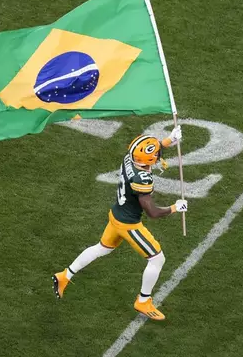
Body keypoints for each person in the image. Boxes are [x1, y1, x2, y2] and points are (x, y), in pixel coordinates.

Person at [52, 125, 187, 321]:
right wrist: (175, 207)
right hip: (128, 224)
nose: (159, 154)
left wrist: (169, 140)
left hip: (116, 215)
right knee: (157, 258)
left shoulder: (129, 159)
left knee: (102, 248)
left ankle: (65, 275)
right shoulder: (142, 178)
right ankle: (143, 300)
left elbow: (146, 153)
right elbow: (153, 212)